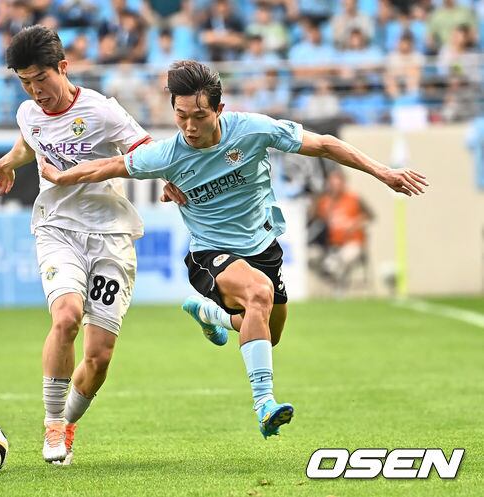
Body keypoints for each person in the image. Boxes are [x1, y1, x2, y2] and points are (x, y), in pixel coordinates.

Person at [38, 60, 429, 439]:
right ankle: (265, 404)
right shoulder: (167, 154)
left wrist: (383, 172)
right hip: (209, 254)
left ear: (220, 109)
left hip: (262, 247)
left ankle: (213, 315)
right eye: (181, 116)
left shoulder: (253, 130)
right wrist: (60, 176)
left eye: (200, 116)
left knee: (268, 332)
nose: (190, 127)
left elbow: (324, 145)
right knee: (258, 293)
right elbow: (106, 166)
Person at [0, 26, 186, 465]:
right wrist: (11, 161)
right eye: (25, 82)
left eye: (41, 79)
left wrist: (167, 179)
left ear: (63, 67)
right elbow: (30, 140)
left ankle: (69, 423)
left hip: (110, 235)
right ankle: (53, 423)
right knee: (67, 316)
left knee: (99, 356)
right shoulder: (28, 112)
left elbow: (145, 147)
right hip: (57, 229)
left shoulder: (102, 111)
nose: (36, 91)